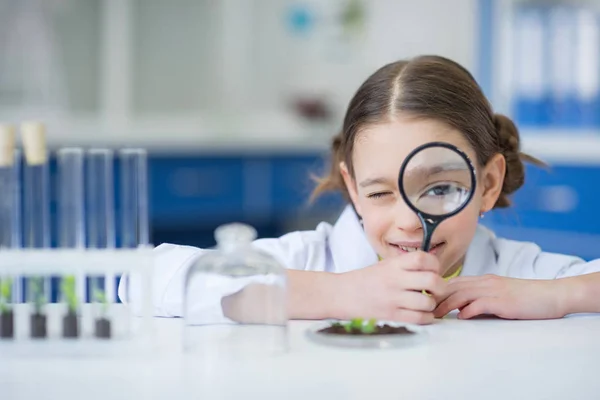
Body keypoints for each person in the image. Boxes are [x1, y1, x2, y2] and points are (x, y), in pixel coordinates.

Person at [119, 55, 600, 324]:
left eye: (438, 189)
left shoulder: (517, 274)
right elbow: (138, 278)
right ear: (351, 187)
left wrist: (559, 295)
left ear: (487, 183)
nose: (410, 221)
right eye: (379, 193)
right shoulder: (313, 259)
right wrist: (338, 293)